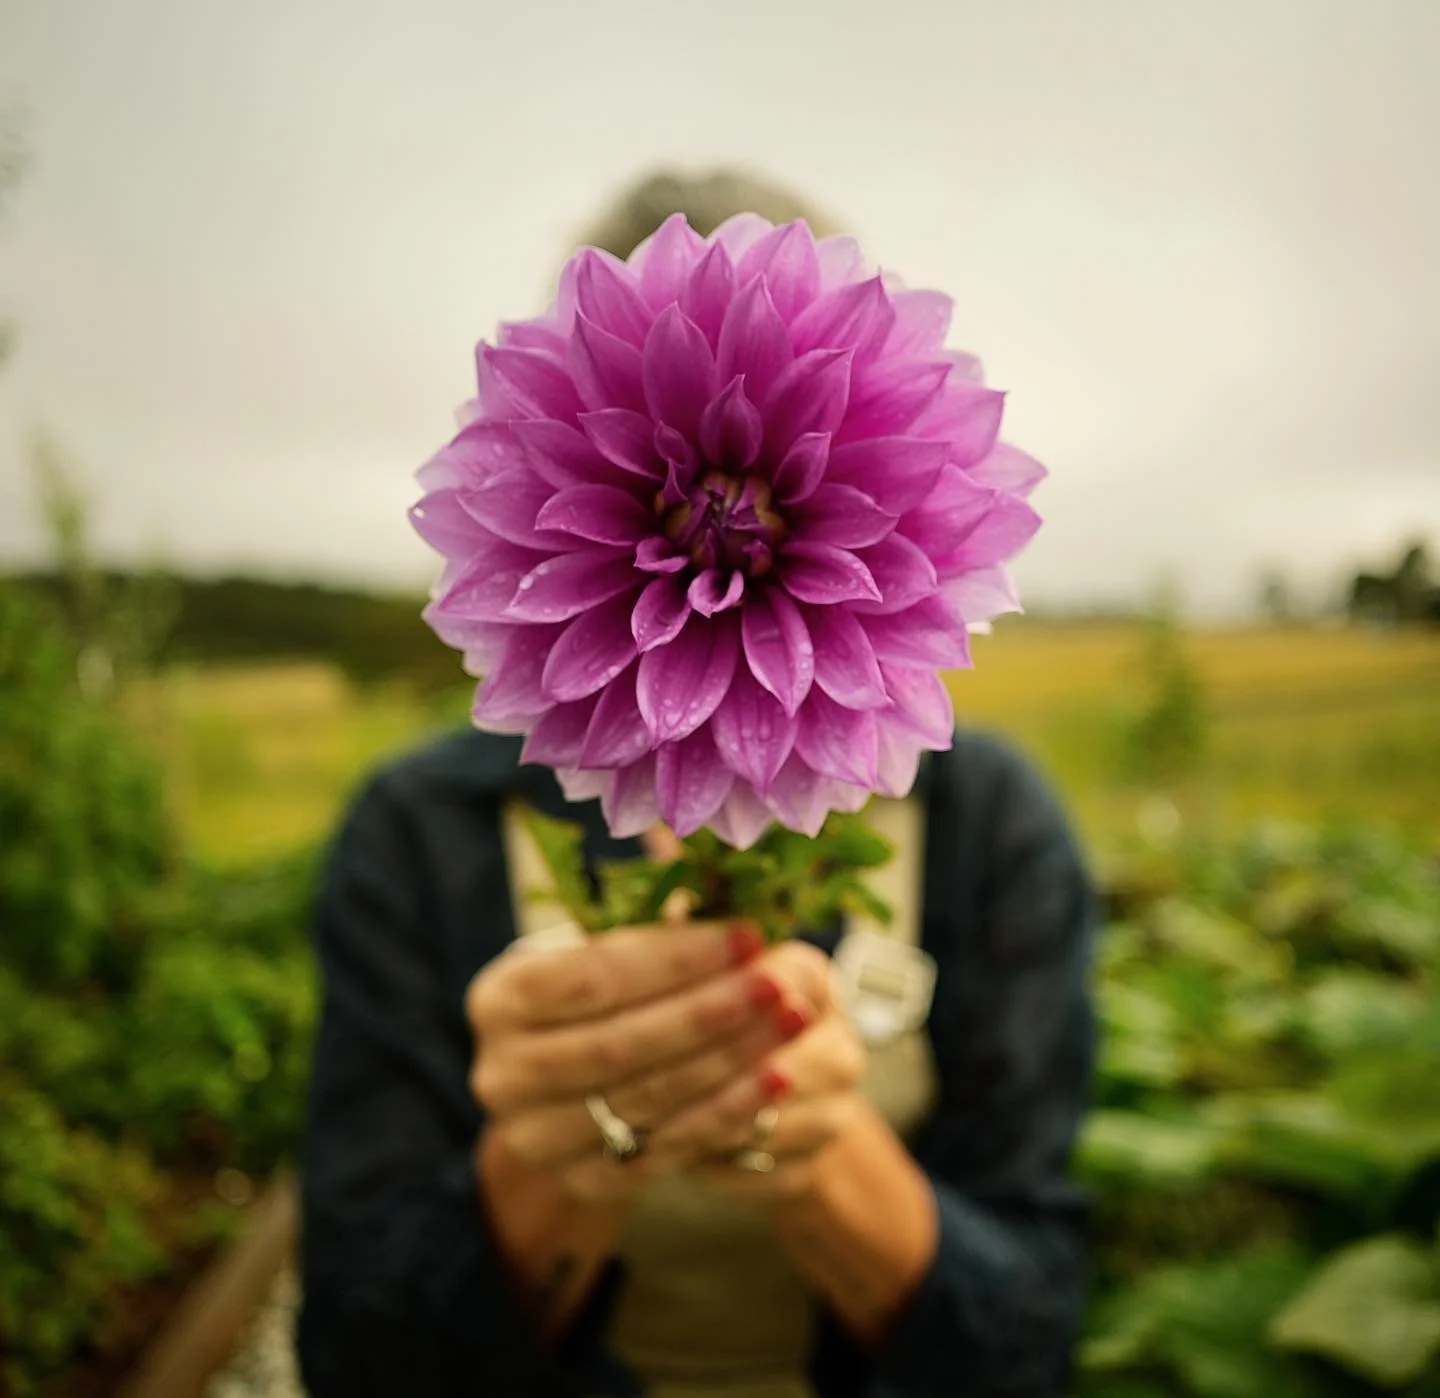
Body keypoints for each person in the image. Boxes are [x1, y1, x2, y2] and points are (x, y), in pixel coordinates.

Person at [297, 171, 1097, 1398]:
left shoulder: (988, 828)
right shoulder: (424, 835)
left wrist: (825, 1152)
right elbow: (358, 1352)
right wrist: (545, 1166)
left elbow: (1029, 1345)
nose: (724, 520)